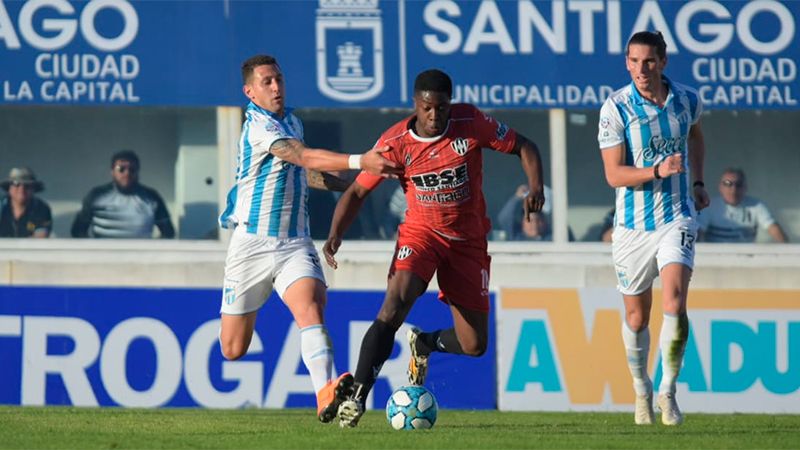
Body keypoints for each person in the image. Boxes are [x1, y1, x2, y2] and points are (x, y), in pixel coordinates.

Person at [323, 69, 545, 428]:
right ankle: (357, 397)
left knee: (474, 345)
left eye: (441, 107)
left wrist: (536, 187)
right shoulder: (395, 143)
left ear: (449, 104)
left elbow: (525, 145)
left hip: (468, 242)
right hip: (421, 235)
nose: (434, 115)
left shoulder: (470, 123)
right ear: (416, 104)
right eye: (427, 108)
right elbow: (358, 190)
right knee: (394, 305)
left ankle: (425, 343)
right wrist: (335, 233)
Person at [216, 54, 401, 424]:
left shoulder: (292, 121)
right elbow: (302, 156)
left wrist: (354, 185)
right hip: (251, 245)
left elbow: (302, 171)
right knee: (233, 348)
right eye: (267, 82)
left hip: (294, 243)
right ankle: (325, 388)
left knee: (311, 308)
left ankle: (325, 392)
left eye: (279, 79)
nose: (276, 87)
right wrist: (360, 161)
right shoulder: (258, 126)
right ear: (250, 92)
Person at [598, 31, 710, 426]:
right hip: (632, 226)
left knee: (675, 302)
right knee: (636, 319)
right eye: (633, 61)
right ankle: (641, 389)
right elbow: (614, 175)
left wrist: (698, 182)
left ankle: (668, 390)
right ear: (626, 63)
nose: (641, 69)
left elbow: (695, 135)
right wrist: (657, 170)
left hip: (677, 216)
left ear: (663, 61)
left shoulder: (687, 99)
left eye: (648, 61)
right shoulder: (616, 108)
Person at [71, 150, 175, 239]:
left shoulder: (152, 197)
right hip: (103, 255)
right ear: (112, 172)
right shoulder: (96, 195)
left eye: (132, 169)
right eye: (121, 169)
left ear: (138, 172)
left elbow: (168, 232)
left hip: (141, 255)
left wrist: (152, 252)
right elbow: (77, 231)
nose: (127, 173)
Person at [697, 168, 788, 243]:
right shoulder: (708, 206)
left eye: (738, 184)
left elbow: (774, 229)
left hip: (746, 257)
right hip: (715, 257)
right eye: (728, 184)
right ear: (720, 187)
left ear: (745, 187)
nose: (733, 189)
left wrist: (788, 252)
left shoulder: (756, 205)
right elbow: (697, 234)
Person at [0, 167, 52, 238]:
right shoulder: (1, 205)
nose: (21, 189)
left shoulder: (42, 209)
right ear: (9, 188)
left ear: (33, 189)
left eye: (27, 185)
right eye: (16, 184)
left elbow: (41, 236)